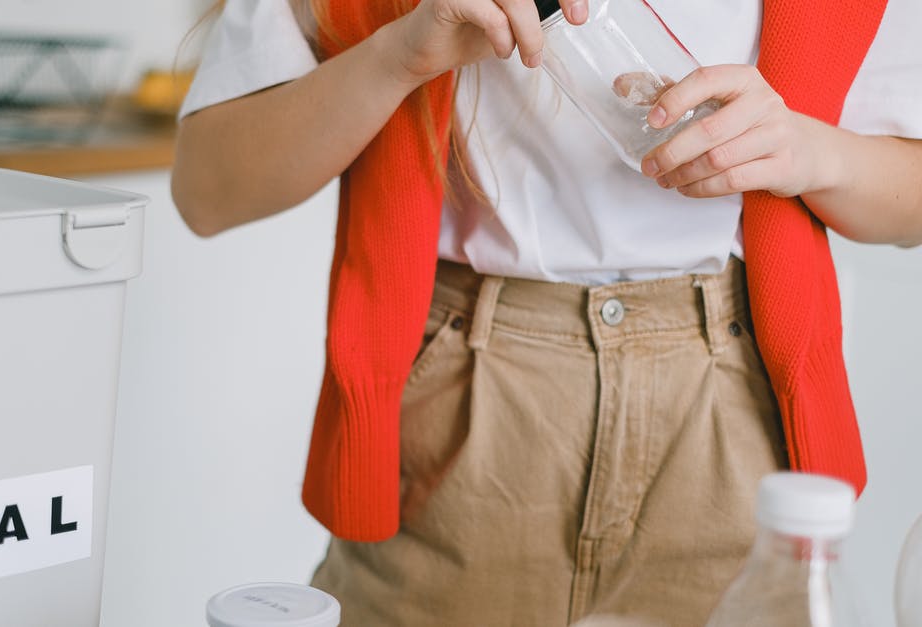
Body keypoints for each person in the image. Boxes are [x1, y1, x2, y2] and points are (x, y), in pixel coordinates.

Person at [171, 0, 922, 624]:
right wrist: (402, 53)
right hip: (465, 421)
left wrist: (811, 153)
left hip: (729, 413)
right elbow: (208, 188)